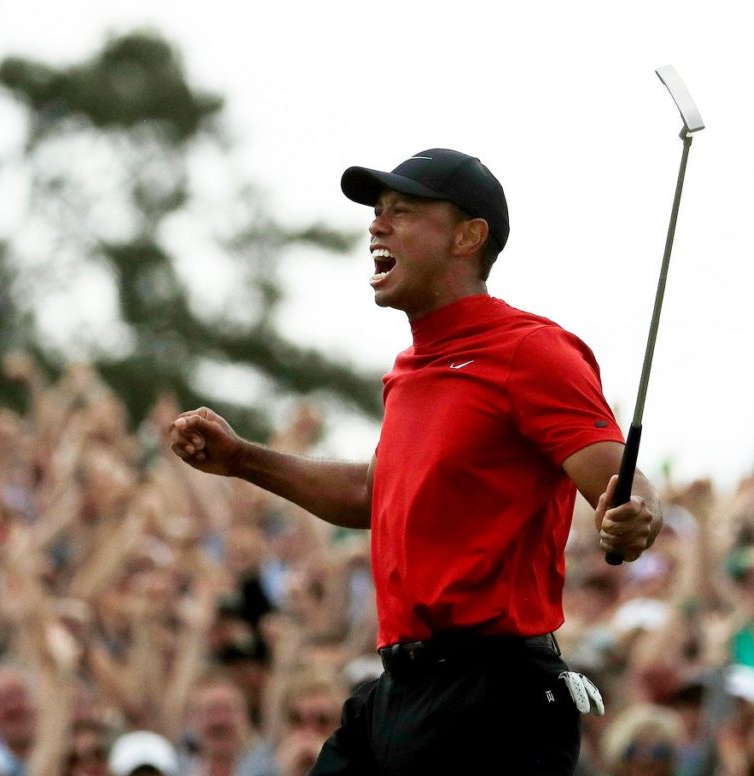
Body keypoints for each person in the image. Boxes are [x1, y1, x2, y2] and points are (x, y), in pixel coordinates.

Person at [168, 147, 662, 775]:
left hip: (495, 699)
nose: (377, 225)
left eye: (401, 211)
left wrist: (637, 515)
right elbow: (373, 495)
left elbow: (624, 480)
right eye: (377, 212)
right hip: (401, 690)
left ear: (468, 236)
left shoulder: (531, 350)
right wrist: (242, 459)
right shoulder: (410, 370)